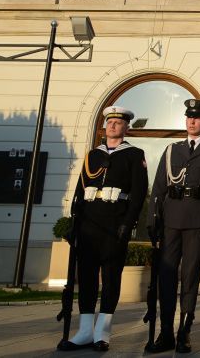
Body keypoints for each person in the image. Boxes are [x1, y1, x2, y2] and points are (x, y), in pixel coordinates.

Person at [58, 106, 148, 352]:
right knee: (86, 277)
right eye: (110, 122)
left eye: (118, 122)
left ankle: (103, 332)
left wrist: (127, 224)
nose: (113, 126)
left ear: (126, 127)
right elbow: (79, 192)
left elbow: (138, 195)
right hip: (89, 224)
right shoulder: (92, 156)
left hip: (114, 223)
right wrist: (74, 224)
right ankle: (85, 330)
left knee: (110, 278)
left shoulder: (133, 154)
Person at [146, 99, 200, 353]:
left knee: (190, 277)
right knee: (166, 277)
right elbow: (159, 187)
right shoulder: (172, 150)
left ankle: (184, 331)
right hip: (171, 220)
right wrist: (152, 219)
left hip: (197, 222)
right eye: (189, 117)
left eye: (198, 117)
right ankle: (166, 333)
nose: (191, 121)